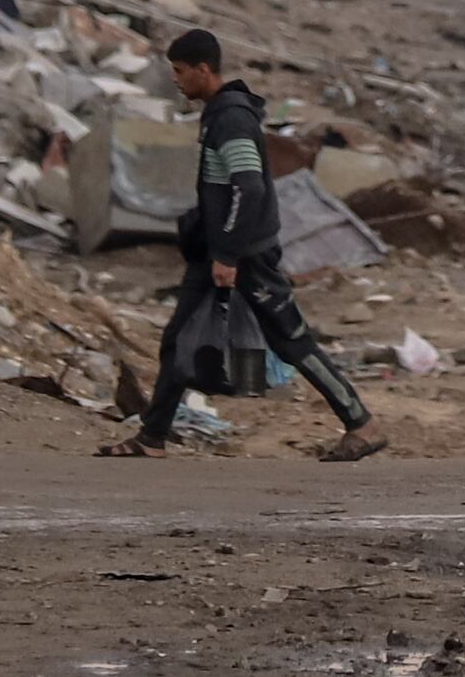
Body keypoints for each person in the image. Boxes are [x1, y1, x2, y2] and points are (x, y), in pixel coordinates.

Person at [122, 28, 385, 461]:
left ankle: (362, 423)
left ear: (204, 70)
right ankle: (152, 438)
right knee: (177, 340)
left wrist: (228, 254)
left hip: (244, 254)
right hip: (216, 251)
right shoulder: (218, 114)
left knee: (291, 340)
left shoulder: (232, 118)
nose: (175, 79)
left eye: (180, 70)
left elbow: (251, 188)